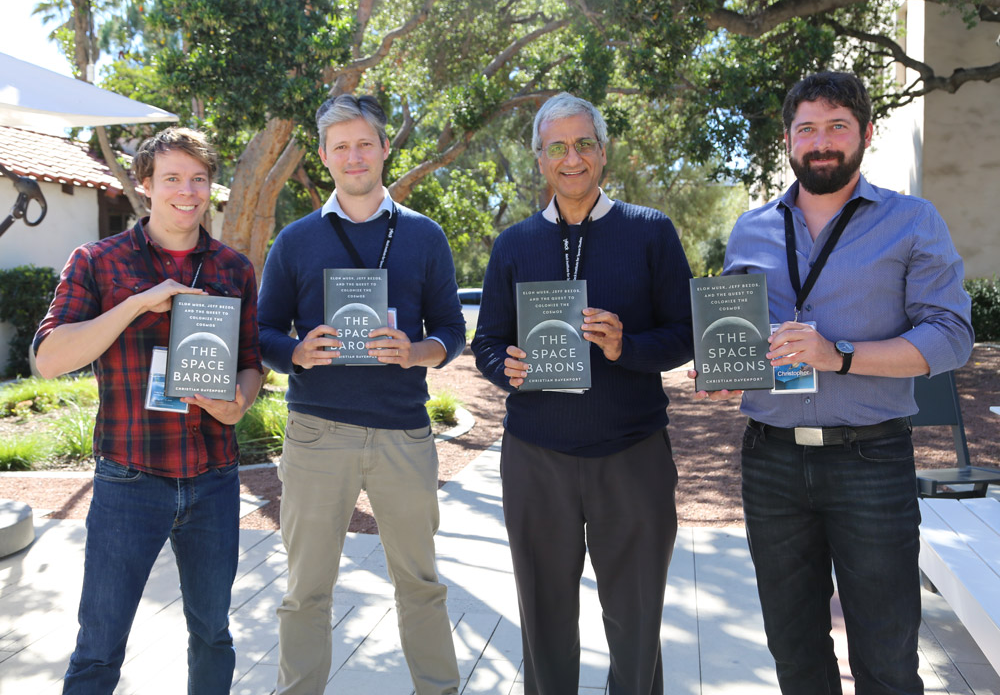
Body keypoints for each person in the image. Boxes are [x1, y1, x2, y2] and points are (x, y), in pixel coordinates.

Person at [694, 71, 974, 694]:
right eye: (807, 129)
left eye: (837, 126)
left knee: (888, 660)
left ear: (866, 133)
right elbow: (738, 333)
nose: (821, 142)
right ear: (788, 140)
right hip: (770, 461)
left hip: (871, 459)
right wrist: (723, 369)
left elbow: (952, 335)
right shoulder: (750, 229)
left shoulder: (912, 220)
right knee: (795, 656)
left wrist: (838, 354)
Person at [471, 92, 694, 694]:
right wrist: (506, 367)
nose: (572, 159)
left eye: (584, 144)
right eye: (558, 148)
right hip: (536, 456)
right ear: (540, 159)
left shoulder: (650, 231)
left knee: (636, 620)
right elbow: (486, 341)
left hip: (633, 454)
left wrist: (627, 347)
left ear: (603, 151)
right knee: (544, 620)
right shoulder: (513, 244)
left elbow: (685, 334)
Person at [33, 127, 263, 694]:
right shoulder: (98, 261)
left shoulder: (233, 268)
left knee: (213, 635)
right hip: (129, 479)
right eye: (172, 178)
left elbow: (251, 362)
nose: (187, 191)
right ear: (145, 184)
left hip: (214, 477)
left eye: (199, 179)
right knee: (98, 646)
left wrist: (239, 403)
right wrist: (139, 303)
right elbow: (48, 359)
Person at [257, 94, 465, 695]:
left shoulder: (424, 235)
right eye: (340, 146)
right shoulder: (296, 240)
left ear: (385, 148)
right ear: (324, 156)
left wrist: (416, 351)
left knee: (420, 585)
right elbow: (263, 331)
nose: (354, 156)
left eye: (364, 144)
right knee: (306, 590)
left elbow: (451, 330)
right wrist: (296, 352)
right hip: (317, 434)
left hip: (404, 433)